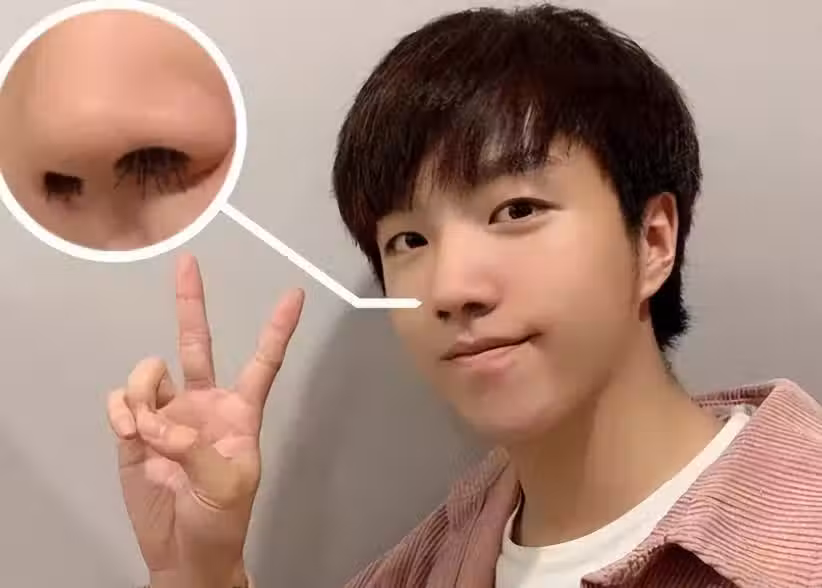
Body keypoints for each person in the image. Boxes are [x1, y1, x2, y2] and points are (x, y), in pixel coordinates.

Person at [105, 4, 822, 588]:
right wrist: (200, 571)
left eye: (517, 210)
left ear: (654, 241)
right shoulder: (435, 559)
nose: (451, 289)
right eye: (408, 240)